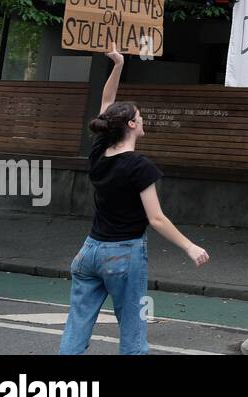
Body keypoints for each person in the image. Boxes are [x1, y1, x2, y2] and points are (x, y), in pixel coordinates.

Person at [59, 45, 209, 355]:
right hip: (124, 255)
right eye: (139, 118)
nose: (142, 120)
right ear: (130, 125)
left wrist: (118, 65)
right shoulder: (140, 166)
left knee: (77, 324)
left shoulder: (99, 153)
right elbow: (156, 219)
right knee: (133, 329)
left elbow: (106, 103)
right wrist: (190, 246)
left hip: (89, 252)